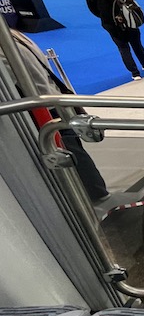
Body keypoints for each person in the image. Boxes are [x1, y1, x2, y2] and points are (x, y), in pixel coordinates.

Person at [0, 28, 109, 202]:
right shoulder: (13, 35)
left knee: (69, 156)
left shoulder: (6, 46)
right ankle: (95, 196)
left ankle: (92, 199)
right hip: (53, 101)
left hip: (42, 110)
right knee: (74, 153)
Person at [85, 0, 144, 80]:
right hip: (127, 21)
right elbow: (130, 2)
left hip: (109, 23)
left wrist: (104, 16)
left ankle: (134, 73)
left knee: (123, 48)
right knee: (136, 44)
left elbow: (92, 8)